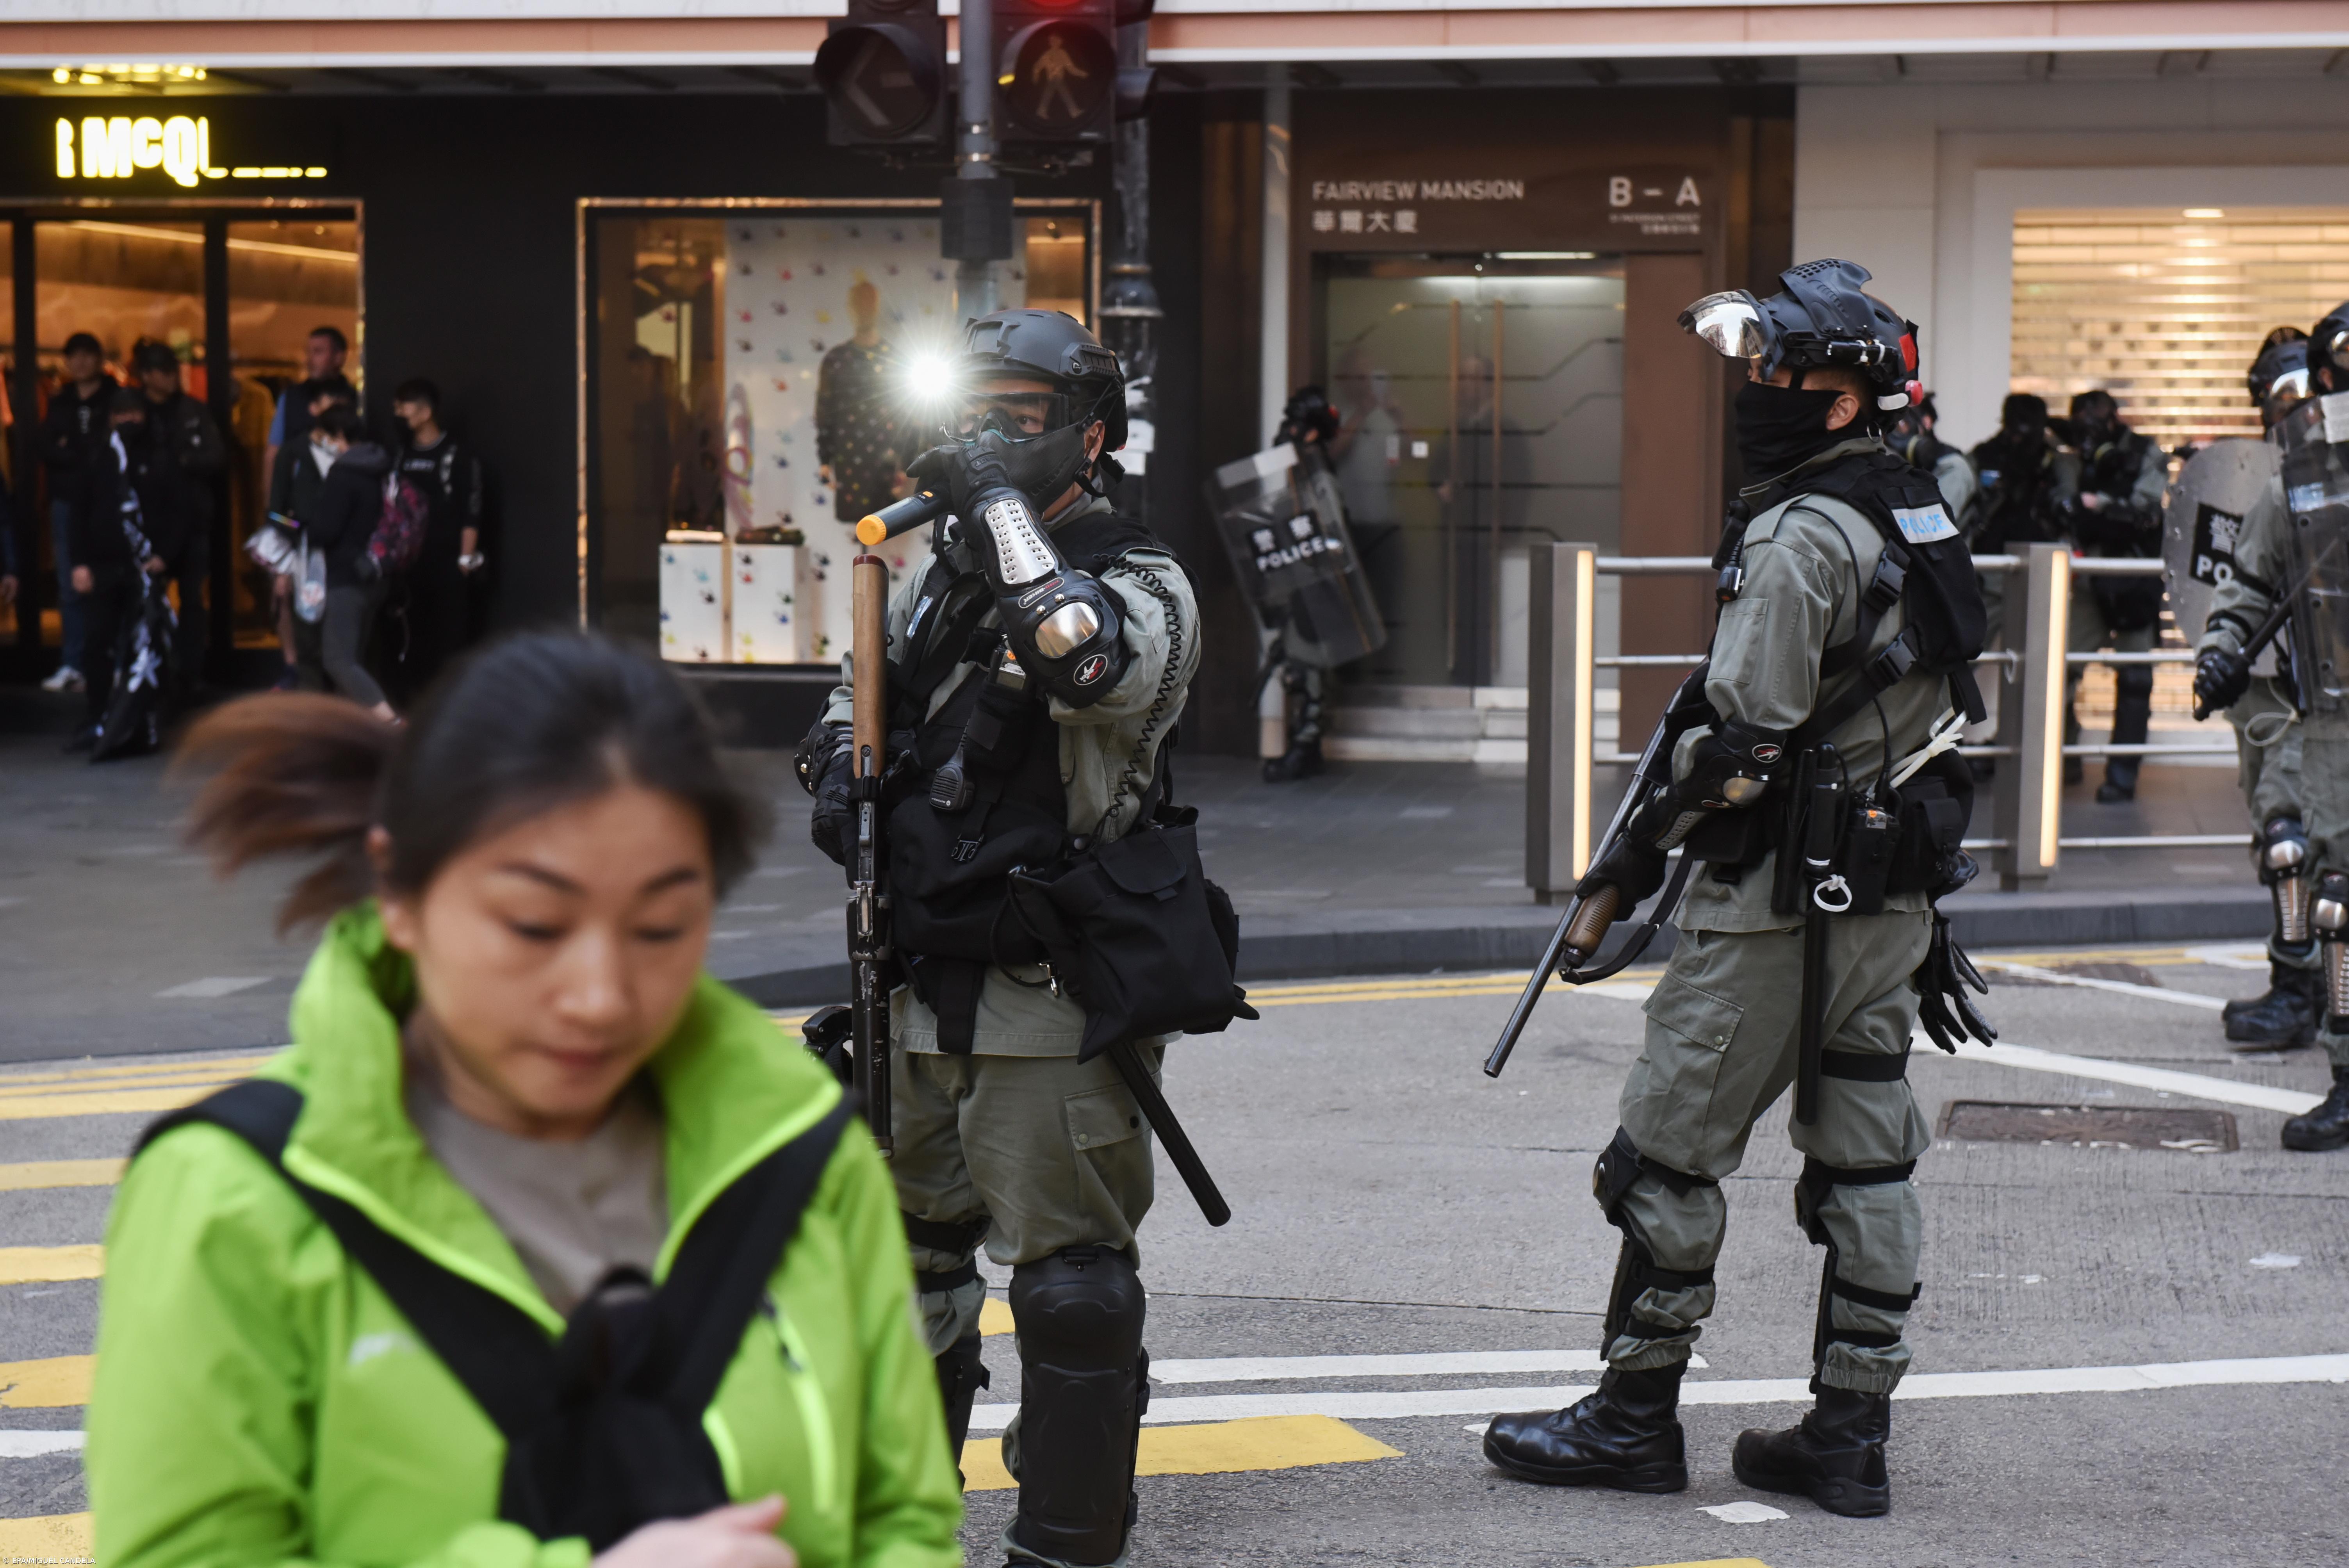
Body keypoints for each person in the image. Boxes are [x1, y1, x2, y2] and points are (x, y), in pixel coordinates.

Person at [87, 633, 963, 1568]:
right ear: (399, 890)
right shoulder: (234, 1195)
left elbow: (905, 1520)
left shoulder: (803, 1148)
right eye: (534, 924)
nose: (600, 993)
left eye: (662, 926)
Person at [1483, 260, 1992, 1518]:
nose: (1755, 391)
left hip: (1771, 899)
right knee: (1866, 1157)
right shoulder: (1918, 501)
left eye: (1781, 374)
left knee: (1660, 1158)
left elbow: (1742, 740)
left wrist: (1637, 851)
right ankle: (1847, 1437)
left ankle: (1631, 1419)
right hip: (1890, 897)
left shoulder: (1795, 534)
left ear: (1836, 405)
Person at [800, 309, 1200, 1568]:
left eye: (1018, 416)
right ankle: (904, 1522)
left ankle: (1068, 1535)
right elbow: (852, 699)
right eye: (971, 413)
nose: (988, 438)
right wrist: (833, 761)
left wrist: (994, 506)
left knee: (1071, 1291)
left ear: (1093, 431)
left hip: (1046, 993)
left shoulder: (1140, 578)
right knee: (907, 1267)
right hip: (917, 982)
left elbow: (1080, 664)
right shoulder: (941, 577)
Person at [2195, 300, 2349, 1150]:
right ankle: (2343, 1068)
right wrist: (2220, 651)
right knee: (2332, 900)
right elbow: (2246, 584)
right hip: (2329, 720)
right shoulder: (2301, 480)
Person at [2187, 335, 2317, 1050]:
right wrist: (2219, 652)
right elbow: (2241, 587)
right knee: (2290, 842)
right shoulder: (2287, 487)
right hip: (2310, 697)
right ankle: (2300, 989)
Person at [2057, 388, 2169, 802]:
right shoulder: (2070, 458)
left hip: (2133, 578)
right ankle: (2061, 756)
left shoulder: (2145, 453)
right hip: (2090, 580)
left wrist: (2098, 504)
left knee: (2136, 679)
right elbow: (2065, 507)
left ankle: (2122, 775)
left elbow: (2144, 511)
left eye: (2095, 419)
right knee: (2057, 671)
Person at [66, 387, 176, 752]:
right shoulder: (97, 457)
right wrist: (79, 563)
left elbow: (180, 511)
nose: (128, 420)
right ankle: (97, 719)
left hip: (144, 568)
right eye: (120, 413)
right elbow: (77, 513)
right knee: (99, 645)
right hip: (102, 567)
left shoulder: (161, 456)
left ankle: (139, 725)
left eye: (135, 413)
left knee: (142, 647)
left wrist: (165, 554)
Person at [126, 340, 227, 694]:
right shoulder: (134, 410)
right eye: (163, 372)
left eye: (173, 371)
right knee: (142, 600)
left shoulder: (192, 410)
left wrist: (180, 463)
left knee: (192, 598)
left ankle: (190, 671)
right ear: (148, 376)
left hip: (192, 519)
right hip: (145, 520)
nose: (171, 379)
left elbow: (215, 457)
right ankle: (148, 671)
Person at [389, 378, 487, 700]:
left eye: (405, 405)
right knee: (413, 633)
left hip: (446, 560)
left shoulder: (457, 455)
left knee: (450, 634)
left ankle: (453, 701)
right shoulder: (400, 455)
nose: (399, 412)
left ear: (426, 411)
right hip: (408, 562)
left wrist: (464, 560)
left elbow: (471, 509)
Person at [301, 404, 396, 720]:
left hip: (346, 577)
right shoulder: (381, 467)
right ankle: (351, 739)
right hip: (376, 574)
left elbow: (326, 531)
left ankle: (392, 726)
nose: (322, 443)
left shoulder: (343, 474)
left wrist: (304, 528)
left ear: (339, 436)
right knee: (356, 658)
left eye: (324, 436)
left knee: (339, 660)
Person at [38, 331, 115, 693]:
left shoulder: (115, 398)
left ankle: (112, 660)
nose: (81, 362)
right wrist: (76, 455)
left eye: (88, 354)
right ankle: (74, 663)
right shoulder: (61, 400)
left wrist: (74, 452)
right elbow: (47, 446)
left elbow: (107, 452)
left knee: (109, 582)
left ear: (100, 359)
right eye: (74, 356)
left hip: (106, 502)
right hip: (68, 500)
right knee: (70, 584)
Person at [814, 274, 911, 526]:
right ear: (850, 309)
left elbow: (907, 414)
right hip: (848, 461)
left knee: (885, 523)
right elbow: (826, 411)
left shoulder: (895, 359)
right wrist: (825, 461)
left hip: (887, 464)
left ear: (877, 309)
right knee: (861, 526)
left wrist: (906, 463)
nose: (863, 311)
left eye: (869, 304)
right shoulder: (836, 360)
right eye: (858, 304)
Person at [264, 323, 355, 505]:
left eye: (319, 352)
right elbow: (273, 452)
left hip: (340, 499)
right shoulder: (291, 398)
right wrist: (270, 506)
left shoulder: (355, 400)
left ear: (339, 358)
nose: (310, 359)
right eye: (309, 352)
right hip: (295, 501)